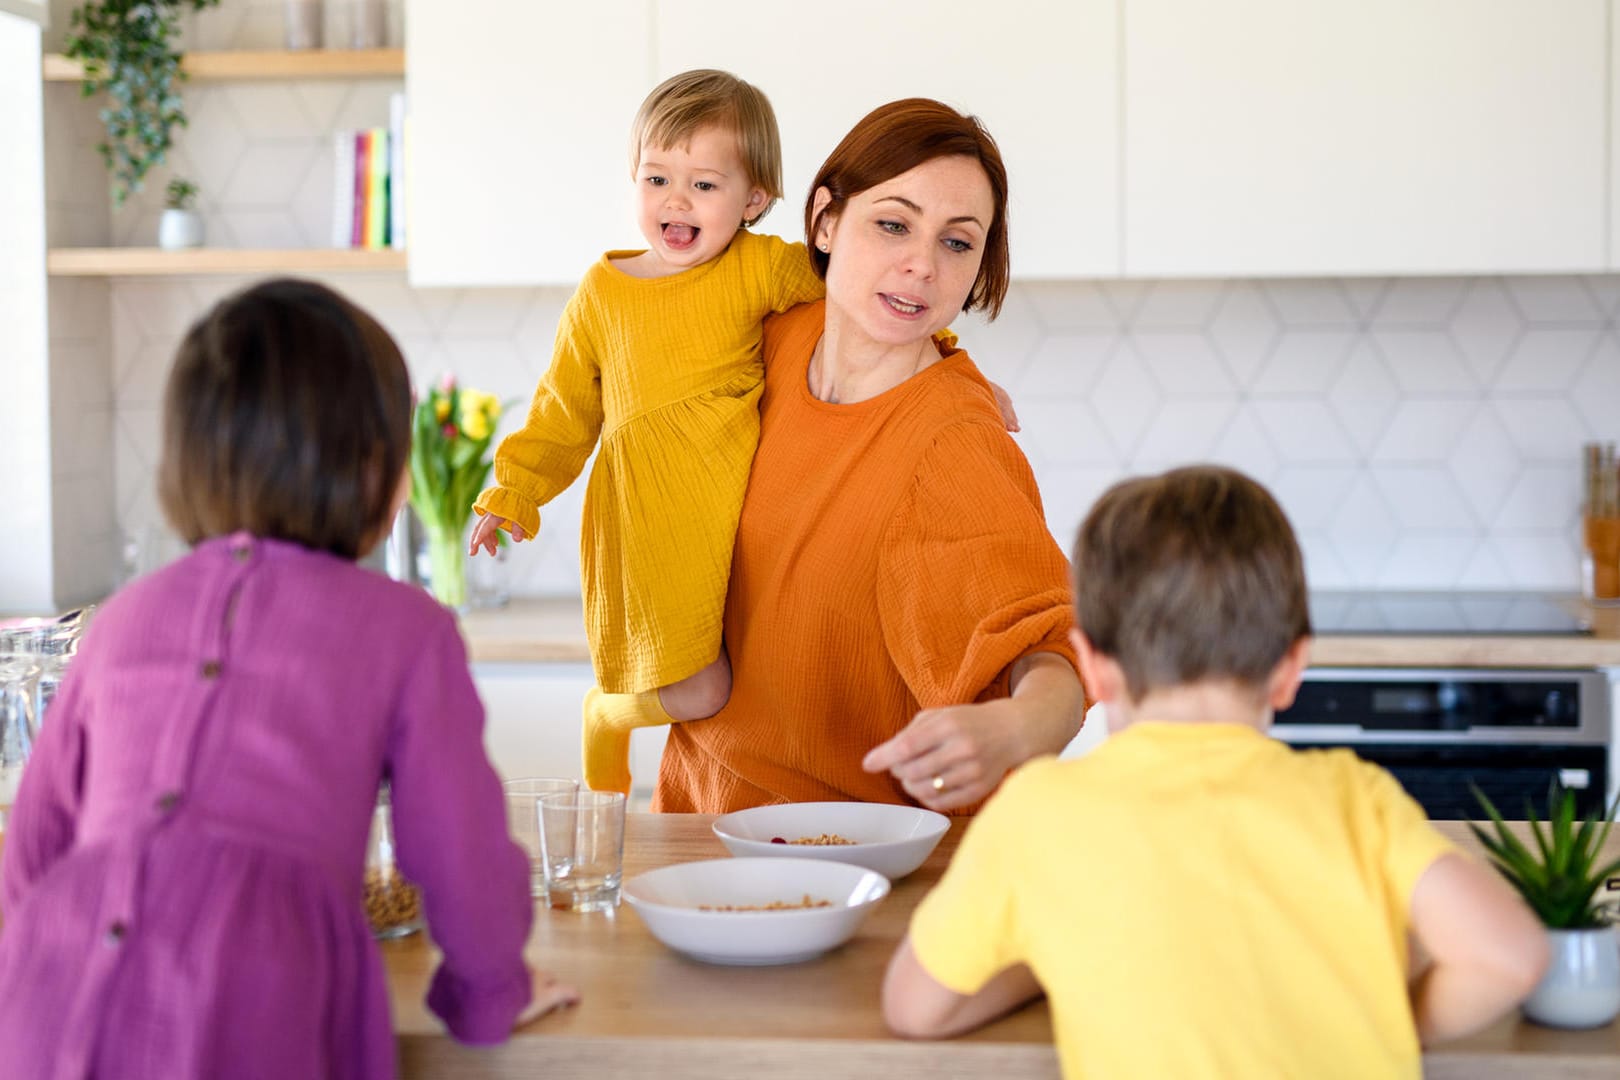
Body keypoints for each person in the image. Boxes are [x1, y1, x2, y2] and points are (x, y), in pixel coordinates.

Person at [0, 279, 577, 1079]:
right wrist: (490, 991)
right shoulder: (407, 629)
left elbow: (34, 845)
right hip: (255, 993)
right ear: (374, 466)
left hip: (50, 986)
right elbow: (461, 854)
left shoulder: (124, 615)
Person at [881, 465, 1551, 1078]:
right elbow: (1509, 958)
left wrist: (1048, 955)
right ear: (1291, 669)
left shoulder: (1036, 812)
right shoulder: (1356, 797)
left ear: (1094, 668)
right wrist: (1395, 1029)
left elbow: (915, 1009)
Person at [652, 99, 1084, 815]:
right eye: (893, 223)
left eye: (957, 243)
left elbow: (1049, 642)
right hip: (696, 831)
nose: (921, 265)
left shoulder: (953, 439)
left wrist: (1016, 727)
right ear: (825, 219)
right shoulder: (760, 339)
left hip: (858, 864)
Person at [468, 69, 825, 796]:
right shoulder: (603, 292)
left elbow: (857, 289)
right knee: (703, 690)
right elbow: (563, 412)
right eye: (657, 177)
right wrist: (512, 491)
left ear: (754, 200)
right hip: (654, 523)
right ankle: (606, 715)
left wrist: (945, 352)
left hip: (741, 522)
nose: (675, 200)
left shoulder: (757, 267)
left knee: (762, 676)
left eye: (704, 185)